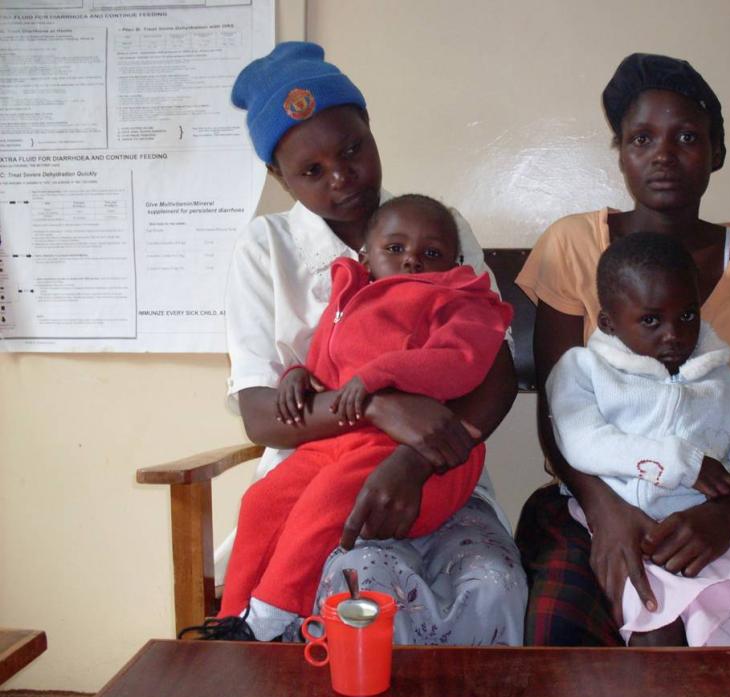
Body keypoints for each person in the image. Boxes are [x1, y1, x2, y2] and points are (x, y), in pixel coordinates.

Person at [185, 42, 526, 644]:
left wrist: (414, 456)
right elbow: (264, 417)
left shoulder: (436, 226)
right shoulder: (265, 250)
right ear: (277, 176)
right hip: (310, 477)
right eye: (311, 171)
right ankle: (247, 629)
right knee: (355, 587)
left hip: (438, 464)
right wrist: (376, 406)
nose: (342, 179)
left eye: (352, 151)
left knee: (491, 583)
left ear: (370, 131)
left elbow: (491, 372)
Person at [515, 52, 730, 646]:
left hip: (718, 497)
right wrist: (608, 514)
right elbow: (557, 416)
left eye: (687, 137)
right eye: (642, 138)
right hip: (595, 494)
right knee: (557, 623)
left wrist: (726, 512)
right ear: (621, 153)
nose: (664, 154)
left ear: (716, 153)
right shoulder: (571, 245)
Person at [212, 194, 513, 640]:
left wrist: (378, 378)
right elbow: (326, 368)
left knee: (326, 501)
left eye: (431, 254)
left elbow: (461, 363)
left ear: (454, 262)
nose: (412, 260)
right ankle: (231, 621)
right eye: (396, 249)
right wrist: (297, 376)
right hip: (336, 442)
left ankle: (272, 615)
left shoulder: (458, 302)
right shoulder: (351, 297)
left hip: (407, 451)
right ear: (366, 256)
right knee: (261, 501)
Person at [546, 231, 730, 646]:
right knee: (656, 632)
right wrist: (681, 462)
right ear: (608, 322)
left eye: (687, 316)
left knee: (718, 632)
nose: (674, 335)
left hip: (701, 533)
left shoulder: (721, 382)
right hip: (627, 524)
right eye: (651, 320)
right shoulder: (583, 370)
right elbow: (582, 443)